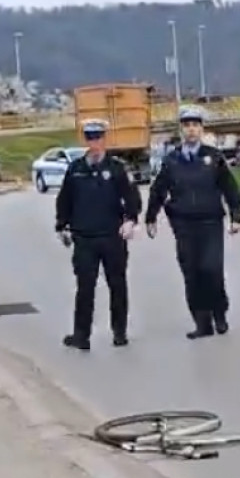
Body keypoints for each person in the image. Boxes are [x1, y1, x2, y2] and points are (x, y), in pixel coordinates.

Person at [145, 106, 240, 339]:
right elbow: (159, 189)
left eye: (195, 125)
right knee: (191, 272)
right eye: (187, 126)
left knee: (211, 269)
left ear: (201, 129)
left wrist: (236, 216)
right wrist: (151, 217)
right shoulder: (172, 160)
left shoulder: (214, 157)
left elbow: (229, 187)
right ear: (181, 130)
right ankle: (202, 323)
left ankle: (219, 313)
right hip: (184, 224)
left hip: (210, 222)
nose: (191, 130)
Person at [55, 119, 141, 351]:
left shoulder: (117, 168)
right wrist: (61, 226)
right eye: (90, 138)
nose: (94, 143)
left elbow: (132, 198)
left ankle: (119, 331)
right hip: (84, 238)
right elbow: (65, 200)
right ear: (86, 140)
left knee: (117, 285)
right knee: (85, 288)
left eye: (98, 137)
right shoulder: (76, 169)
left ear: (105, 139)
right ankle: (81, 335)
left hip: (112, 236)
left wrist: (131, 220)